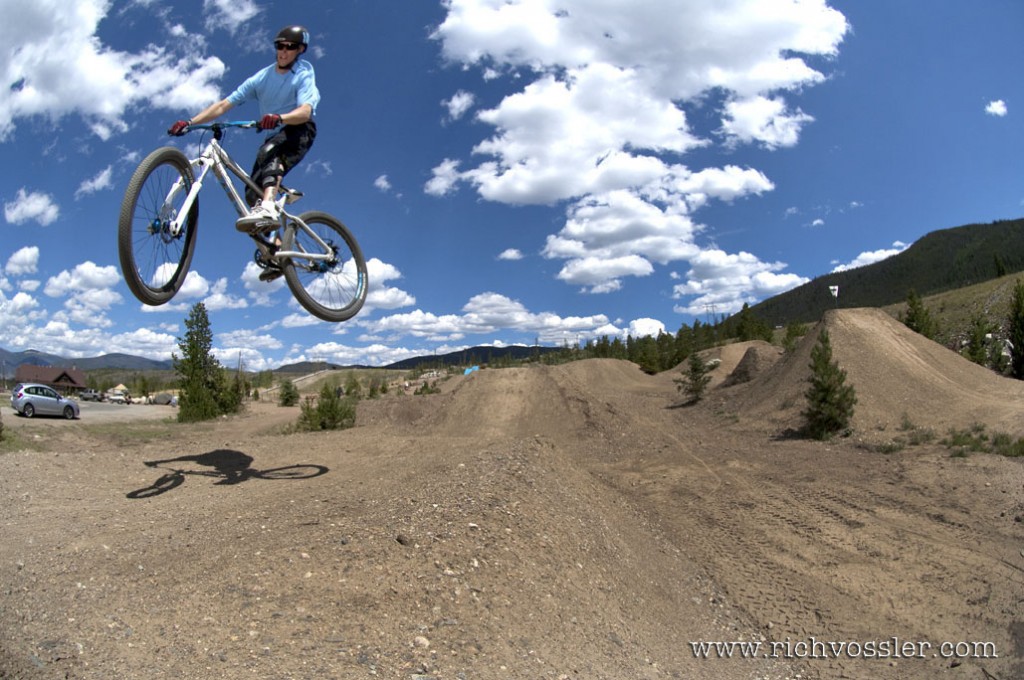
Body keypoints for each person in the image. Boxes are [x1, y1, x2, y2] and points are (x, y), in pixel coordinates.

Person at [168, 25, 320, 241]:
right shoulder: (262, 77)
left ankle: (269, 206)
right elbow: (223, 105)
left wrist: (280, 118)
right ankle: (276, 249)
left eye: (290, 47)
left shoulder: (303, 73)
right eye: (280, 46)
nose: (283, 51)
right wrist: (189, 122)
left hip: (299, 129)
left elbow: (305, 111)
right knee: (251, 195)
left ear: (300, 50)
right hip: (274, 135)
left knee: (270, 154)